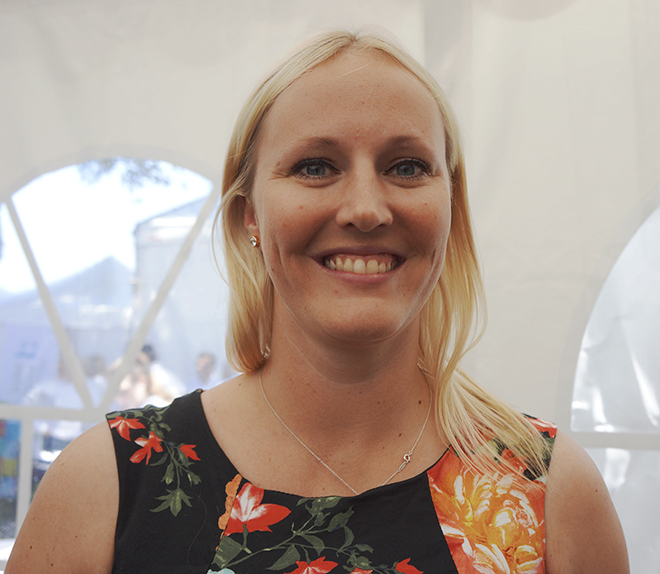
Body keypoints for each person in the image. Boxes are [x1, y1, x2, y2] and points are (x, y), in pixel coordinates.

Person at [6, 29, 629, 574]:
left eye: (407, 167)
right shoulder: (109, 484)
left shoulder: (547, 494)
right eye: (314, 167)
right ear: (250, 214)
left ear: (449, 208)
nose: (365, 208)